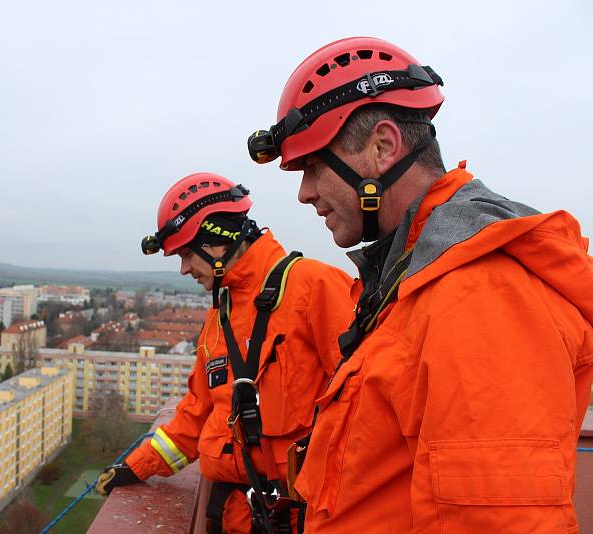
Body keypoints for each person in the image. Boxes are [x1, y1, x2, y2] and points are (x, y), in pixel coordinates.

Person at [247, 36, 593, 532]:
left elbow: (500, 522)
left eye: (313, 167)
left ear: (382, 147)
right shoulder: (416, 278)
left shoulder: (480, 295)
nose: (305, 194)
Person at [96, 173, 353, 533]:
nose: (184, 268)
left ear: (218, 242)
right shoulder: (221, 317)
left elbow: (363, 410)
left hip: (300, 518)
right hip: (234, 519)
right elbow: (197, 415)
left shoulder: (314, 287)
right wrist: (137, 466)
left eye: (187, 253)